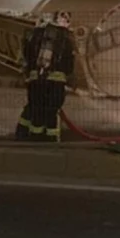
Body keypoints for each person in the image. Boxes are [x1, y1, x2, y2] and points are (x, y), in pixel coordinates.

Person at [15, 11, 75, 142]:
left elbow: (26, 55)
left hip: (35, 79)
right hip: (56, 82)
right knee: (51, 111)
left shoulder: (34, 36)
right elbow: (69, 63)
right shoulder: (65, 39)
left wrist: (29, 73)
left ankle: (26, 134)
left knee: (34, 107)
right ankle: (51, 138)